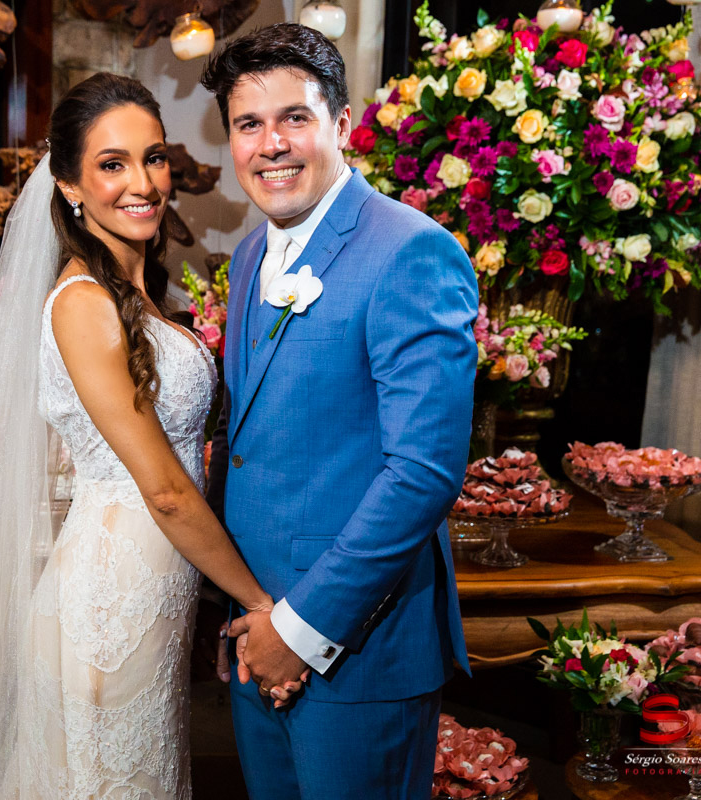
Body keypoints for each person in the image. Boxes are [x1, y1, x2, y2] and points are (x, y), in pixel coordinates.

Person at [0, 72, 300, 800]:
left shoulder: (142, 296)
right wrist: (261, 607)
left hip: (151, 599)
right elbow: (165, 491)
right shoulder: (82, 303)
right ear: (69, 184)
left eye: (153, 157)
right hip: (108, 607)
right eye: (112, 164)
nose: (143, 183)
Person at [201, 24, 478, 799]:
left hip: (358, 648)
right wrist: (245, 616)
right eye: (249, 124)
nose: (271, 145)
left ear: (342, 124)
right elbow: (250, 446)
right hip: (256, 633)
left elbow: (423, 473)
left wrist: (299, 631)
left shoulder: (411, 250)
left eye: (295, 117)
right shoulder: (249, 255)